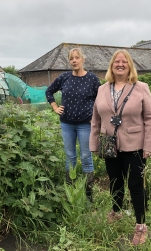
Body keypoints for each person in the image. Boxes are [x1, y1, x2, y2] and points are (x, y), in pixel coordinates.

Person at [89, 49, 151, 246]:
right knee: (114, 181)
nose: (120, 64)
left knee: (136, 186)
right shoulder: (103, 89)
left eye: (124, 62)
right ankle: (116, 211)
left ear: (130, 66)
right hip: (109, 144)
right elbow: (95, 119)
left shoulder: (141, 87)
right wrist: (94, 143)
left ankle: (141, 226)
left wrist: (149, 145)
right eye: (116, 62)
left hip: (135, 145)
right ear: (111, 66)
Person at [45, 47, 101, 201]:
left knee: (86, 156)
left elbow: (101, 100)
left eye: (77, 58)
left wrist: (95, 117)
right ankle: (71, 192)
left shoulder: (93, 79)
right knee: (70, 156)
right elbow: (49, 92)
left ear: (83, 59)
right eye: (71, 58)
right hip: (67, 124)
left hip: (85, 124)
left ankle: (89, 195)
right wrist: (55, 107)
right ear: (69, 61)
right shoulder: (64, 77)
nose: (74, 61)